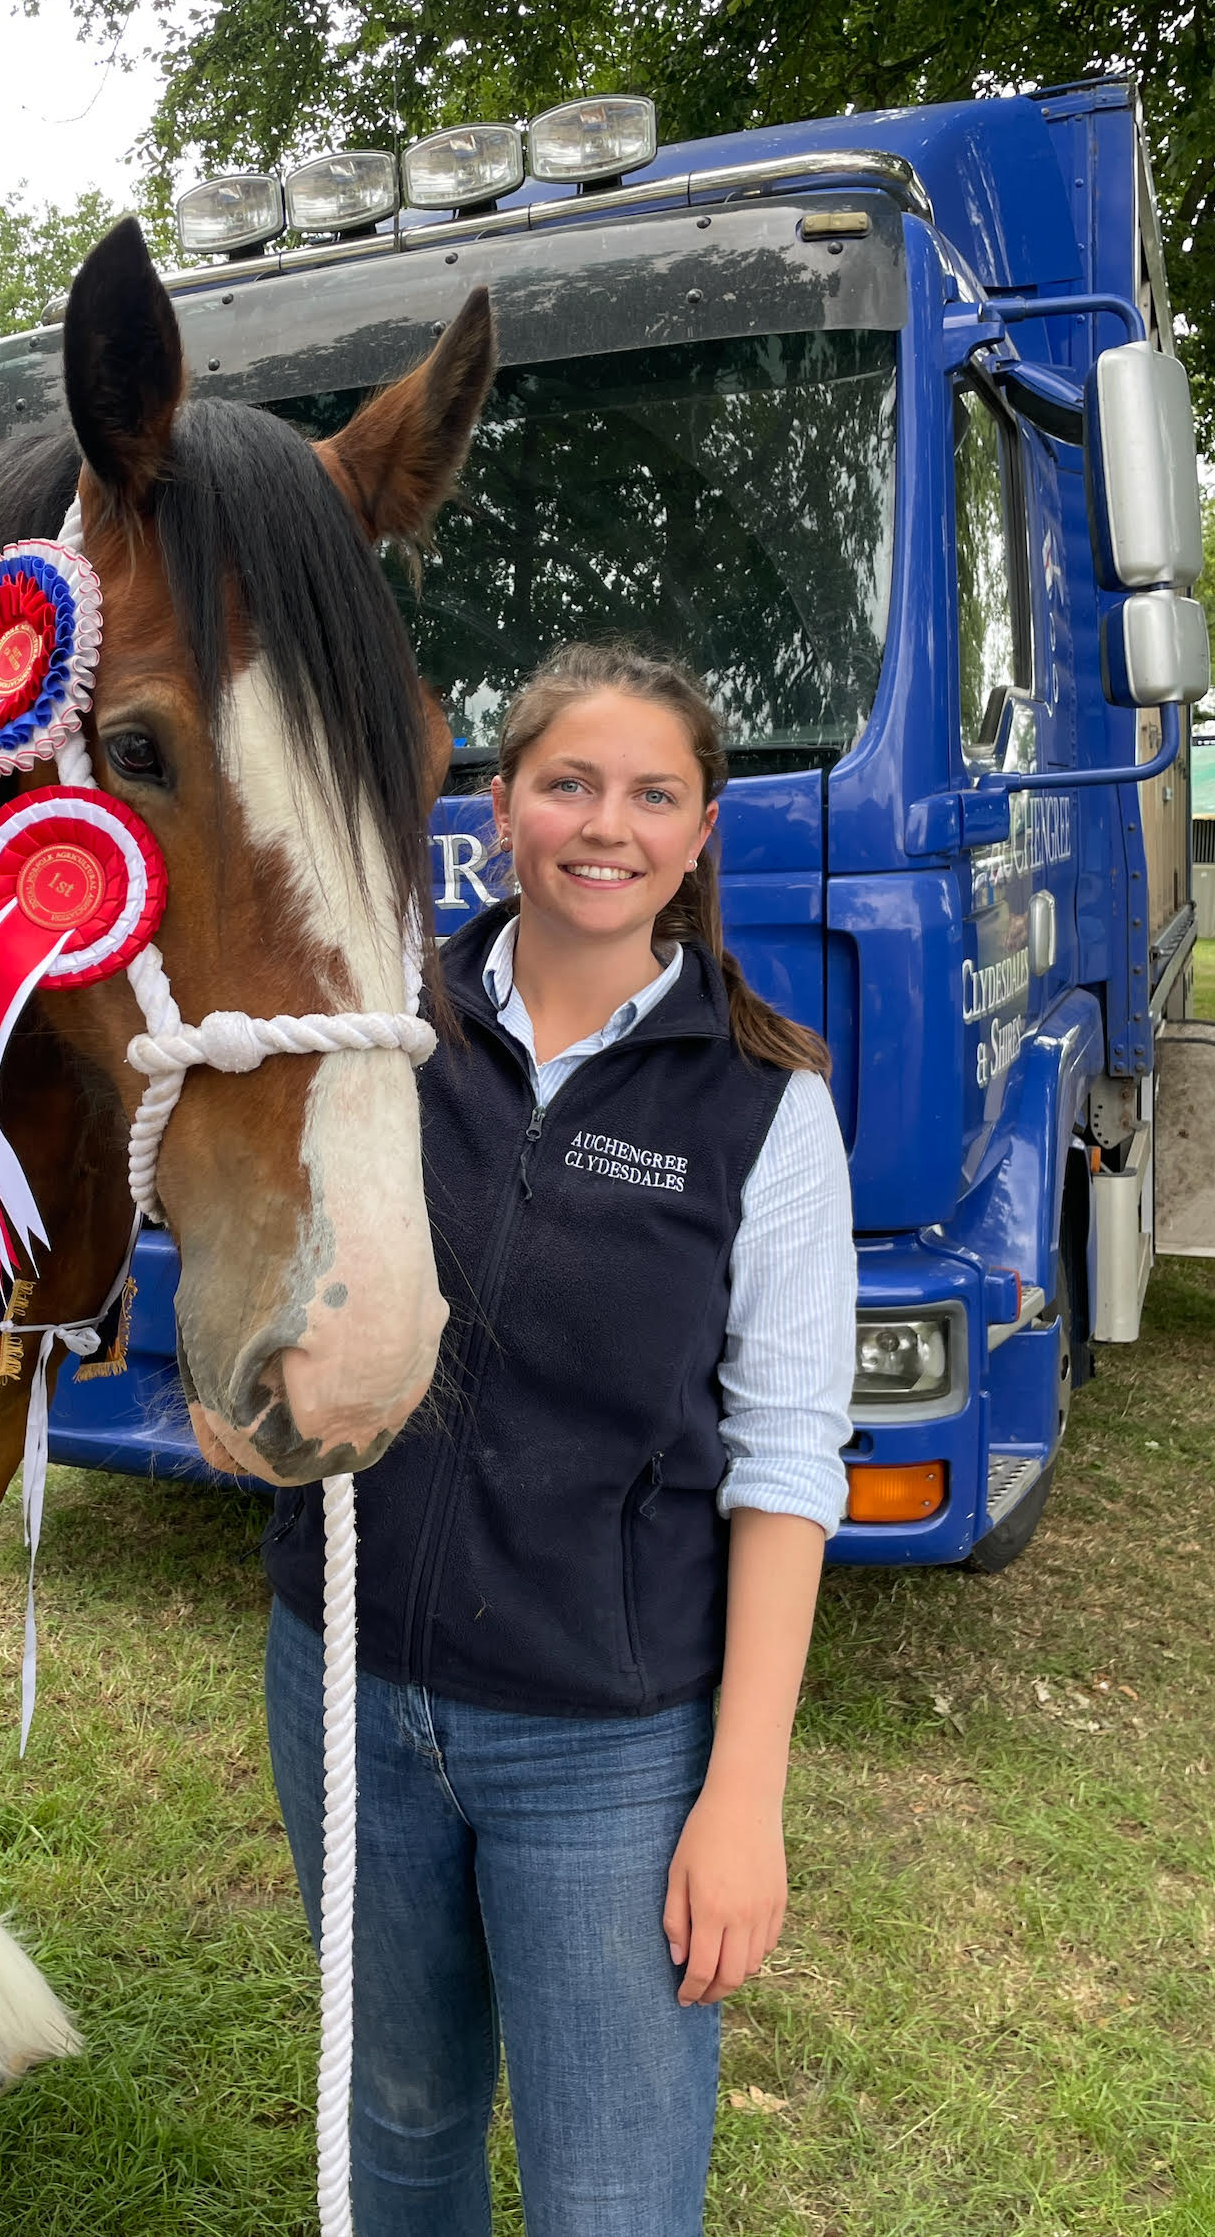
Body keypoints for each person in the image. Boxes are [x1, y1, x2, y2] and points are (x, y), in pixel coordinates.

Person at [261, 642, 856, 2237]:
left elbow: (791, 1466)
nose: (610, 825)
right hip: (353, 1689)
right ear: (500, 806)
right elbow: (288, 1286)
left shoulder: (766, 1105)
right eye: (569, 783)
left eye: (654, 793)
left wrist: (742, 1800)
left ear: (702, 830)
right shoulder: (376, 1034)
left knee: (610, 2199)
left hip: (609, 1746)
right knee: (396, 2130)